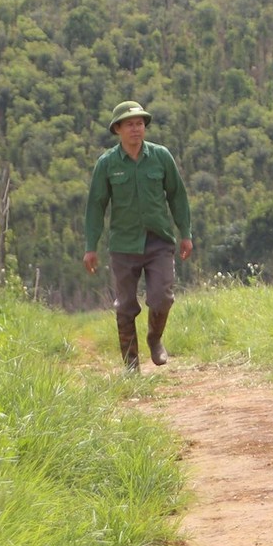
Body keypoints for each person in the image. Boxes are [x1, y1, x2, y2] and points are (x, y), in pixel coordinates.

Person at [83, 100, 193, 370]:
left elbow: (177, 196)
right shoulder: (107, 164)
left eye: (140, 123)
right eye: (130, 124)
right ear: (117, 129)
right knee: (125, 305)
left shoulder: (160, 156)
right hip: (123, 245)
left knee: (162, 297)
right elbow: (96, 206)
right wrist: (91, 246)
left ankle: (155, 340)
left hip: (158, 240)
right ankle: (131, 365)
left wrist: (185, 233)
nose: (136, 129)